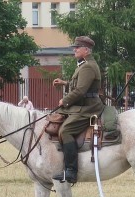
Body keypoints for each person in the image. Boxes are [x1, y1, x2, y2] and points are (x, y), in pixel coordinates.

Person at [52, 36, 104, 183]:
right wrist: (65, 83)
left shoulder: (87, 66)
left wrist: (65, 100)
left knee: (66, 130)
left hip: (89, 107)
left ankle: (70, 171)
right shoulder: (84, 64)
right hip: (82, 104)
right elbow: (80, 85)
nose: (74, 49)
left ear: (86, 50)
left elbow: (81, 91)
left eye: (77, 47)